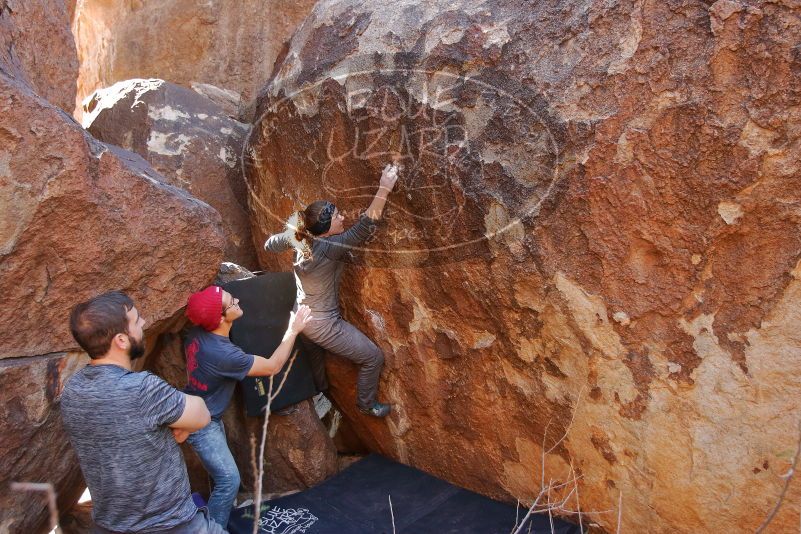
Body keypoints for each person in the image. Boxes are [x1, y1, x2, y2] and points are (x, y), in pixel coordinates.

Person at [61, 291, 222, 534]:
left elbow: (126, 427)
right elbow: (201, 414)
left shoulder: (72, 390)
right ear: (121, 341)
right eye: (136, 321)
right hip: (173, 526)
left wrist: (168, 426)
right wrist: (177, 426)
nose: (144, 323)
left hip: (109, 527)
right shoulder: (142, 389)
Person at [263, 163, 399, 418]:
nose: (342, 217)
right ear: (325, 228)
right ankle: (366, 404)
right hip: (323, 323)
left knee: (315, 356)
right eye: (337, 216)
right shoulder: (329, 247)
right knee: (373, 358)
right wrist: (384, 188)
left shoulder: (298, 236)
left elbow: (269, 244)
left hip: (301, 316)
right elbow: (365, 226)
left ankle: (320, 391)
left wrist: (285, 234)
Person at [183, 285, 312, 529]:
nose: (238, 300)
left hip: (196, 406)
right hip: (203, 422)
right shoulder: (223, 354)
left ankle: (216, 515)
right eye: (232, 302)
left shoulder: (197, 333)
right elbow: (272, 366)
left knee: (220, 477)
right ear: (220, 318)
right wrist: (293, 330)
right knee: (229, 480)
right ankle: (214, 529)